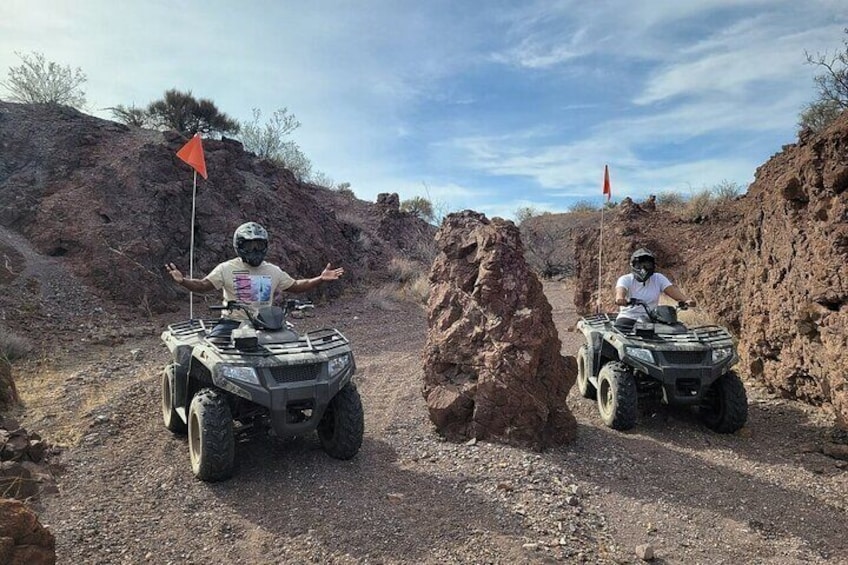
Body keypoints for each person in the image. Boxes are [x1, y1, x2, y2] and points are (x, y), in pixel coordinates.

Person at [165, 221, 344, 335]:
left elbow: (296, 285)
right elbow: (203, 285)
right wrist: (183, 281)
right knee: (213, 352)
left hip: (266, 323)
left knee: (291, 343)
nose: (255, 251)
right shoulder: (226, 268)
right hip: (232, 322)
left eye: (259, 246)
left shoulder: (272, 270)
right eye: (249, 246)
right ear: (239, 246)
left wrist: (320, 278)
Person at [613, 247, 695, 332]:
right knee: (618, 334)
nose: (643, 269)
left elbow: (672, 291)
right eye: (640, 265)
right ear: (633, 265)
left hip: (652, 318)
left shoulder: (658, 278)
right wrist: (620, 299)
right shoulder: (625, 279)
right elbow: (620, 291)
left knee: (676, 331)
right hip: (629, 316)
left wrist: (686, 300)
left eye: (647, 265)